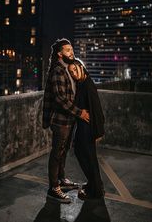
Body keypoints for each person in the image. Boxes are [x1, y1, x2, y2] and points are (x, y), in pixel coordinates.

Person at [42, 39, 90, 203]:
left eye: (72, 49)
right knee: (57, 153)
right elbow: (60, 99)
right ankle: (53, 187)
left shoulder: (68, 70)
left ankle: (61, 180)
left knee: (63, 151)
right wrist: (80, 113)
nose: (72, 52)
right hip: (61, 120)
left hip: (70, 119)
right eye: (68, 50)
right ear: (60, 54)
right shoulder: (58, 71)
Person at [68, 60, 105, 200]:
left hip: (88, 128)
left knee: (89, 158)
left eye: (75, 70)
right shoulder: (81, 83)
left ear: (81, 67)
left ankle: (96, 190)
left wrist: (98, 132)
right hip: (83, 127)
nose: (73, 73)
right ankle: (93, 184)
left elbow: (97, 109)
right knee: (84, 155)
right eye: (71, 72)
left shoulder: (88, 85)